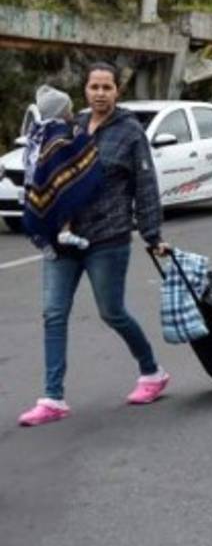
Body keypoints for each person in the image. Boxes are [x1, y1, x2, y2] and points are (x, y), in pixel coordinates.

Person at [19, 63, 171, 427]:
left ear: (117, 91)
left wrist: (153, 236)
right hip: (64, 238)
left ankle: (152, 372)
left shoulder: (130, 132)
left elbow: (146, 186)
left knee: (112, 312)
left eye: (107, 87)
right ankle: (53, 398)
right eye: (94, 86)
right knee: (53, 313)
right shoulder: (70, 125)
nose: (100, 93)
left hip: (108, 237)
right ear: (84, 91)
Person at [21, 85, 97, 254]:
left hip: (35, 180)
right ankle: (65, 230)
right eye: (69, 109)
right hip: (50, 178)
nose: (72, 112)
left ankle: (43, 240)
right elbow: (67, 154)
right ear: (60, 112)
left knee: (43, 207)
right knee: (67, 190)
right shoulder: (58, 131)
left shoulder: (37, 130)